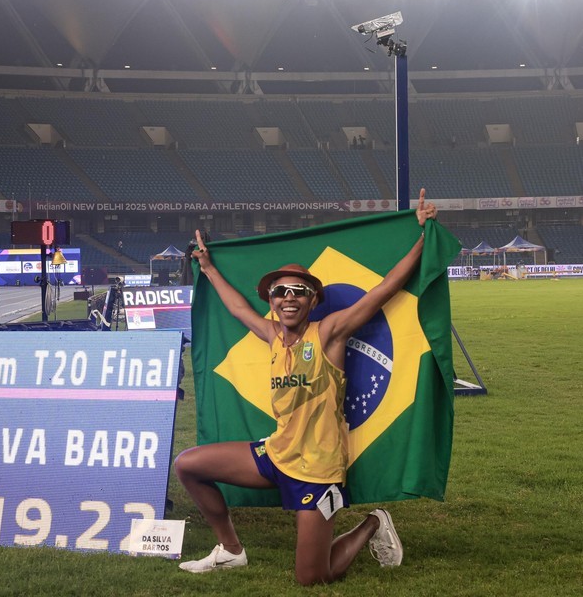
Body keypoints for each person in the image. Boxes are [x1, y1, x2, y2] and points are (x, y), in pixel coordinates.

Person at [175, 188, 439, 585]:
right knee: (188, 464)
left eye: (299, 292)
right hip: (277, 454)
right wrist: (209, 268)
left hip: (317, 470)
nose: (289, 299)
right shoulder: (272, 335)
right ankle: (231, 550)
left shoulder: (329, 333)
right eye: (281, 292)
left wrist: (425, 235)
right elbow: (238, 308)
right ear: (272, 301)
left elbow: (384, 290)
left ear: (313, 300)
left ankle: (372, 523)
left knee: (312, 578)